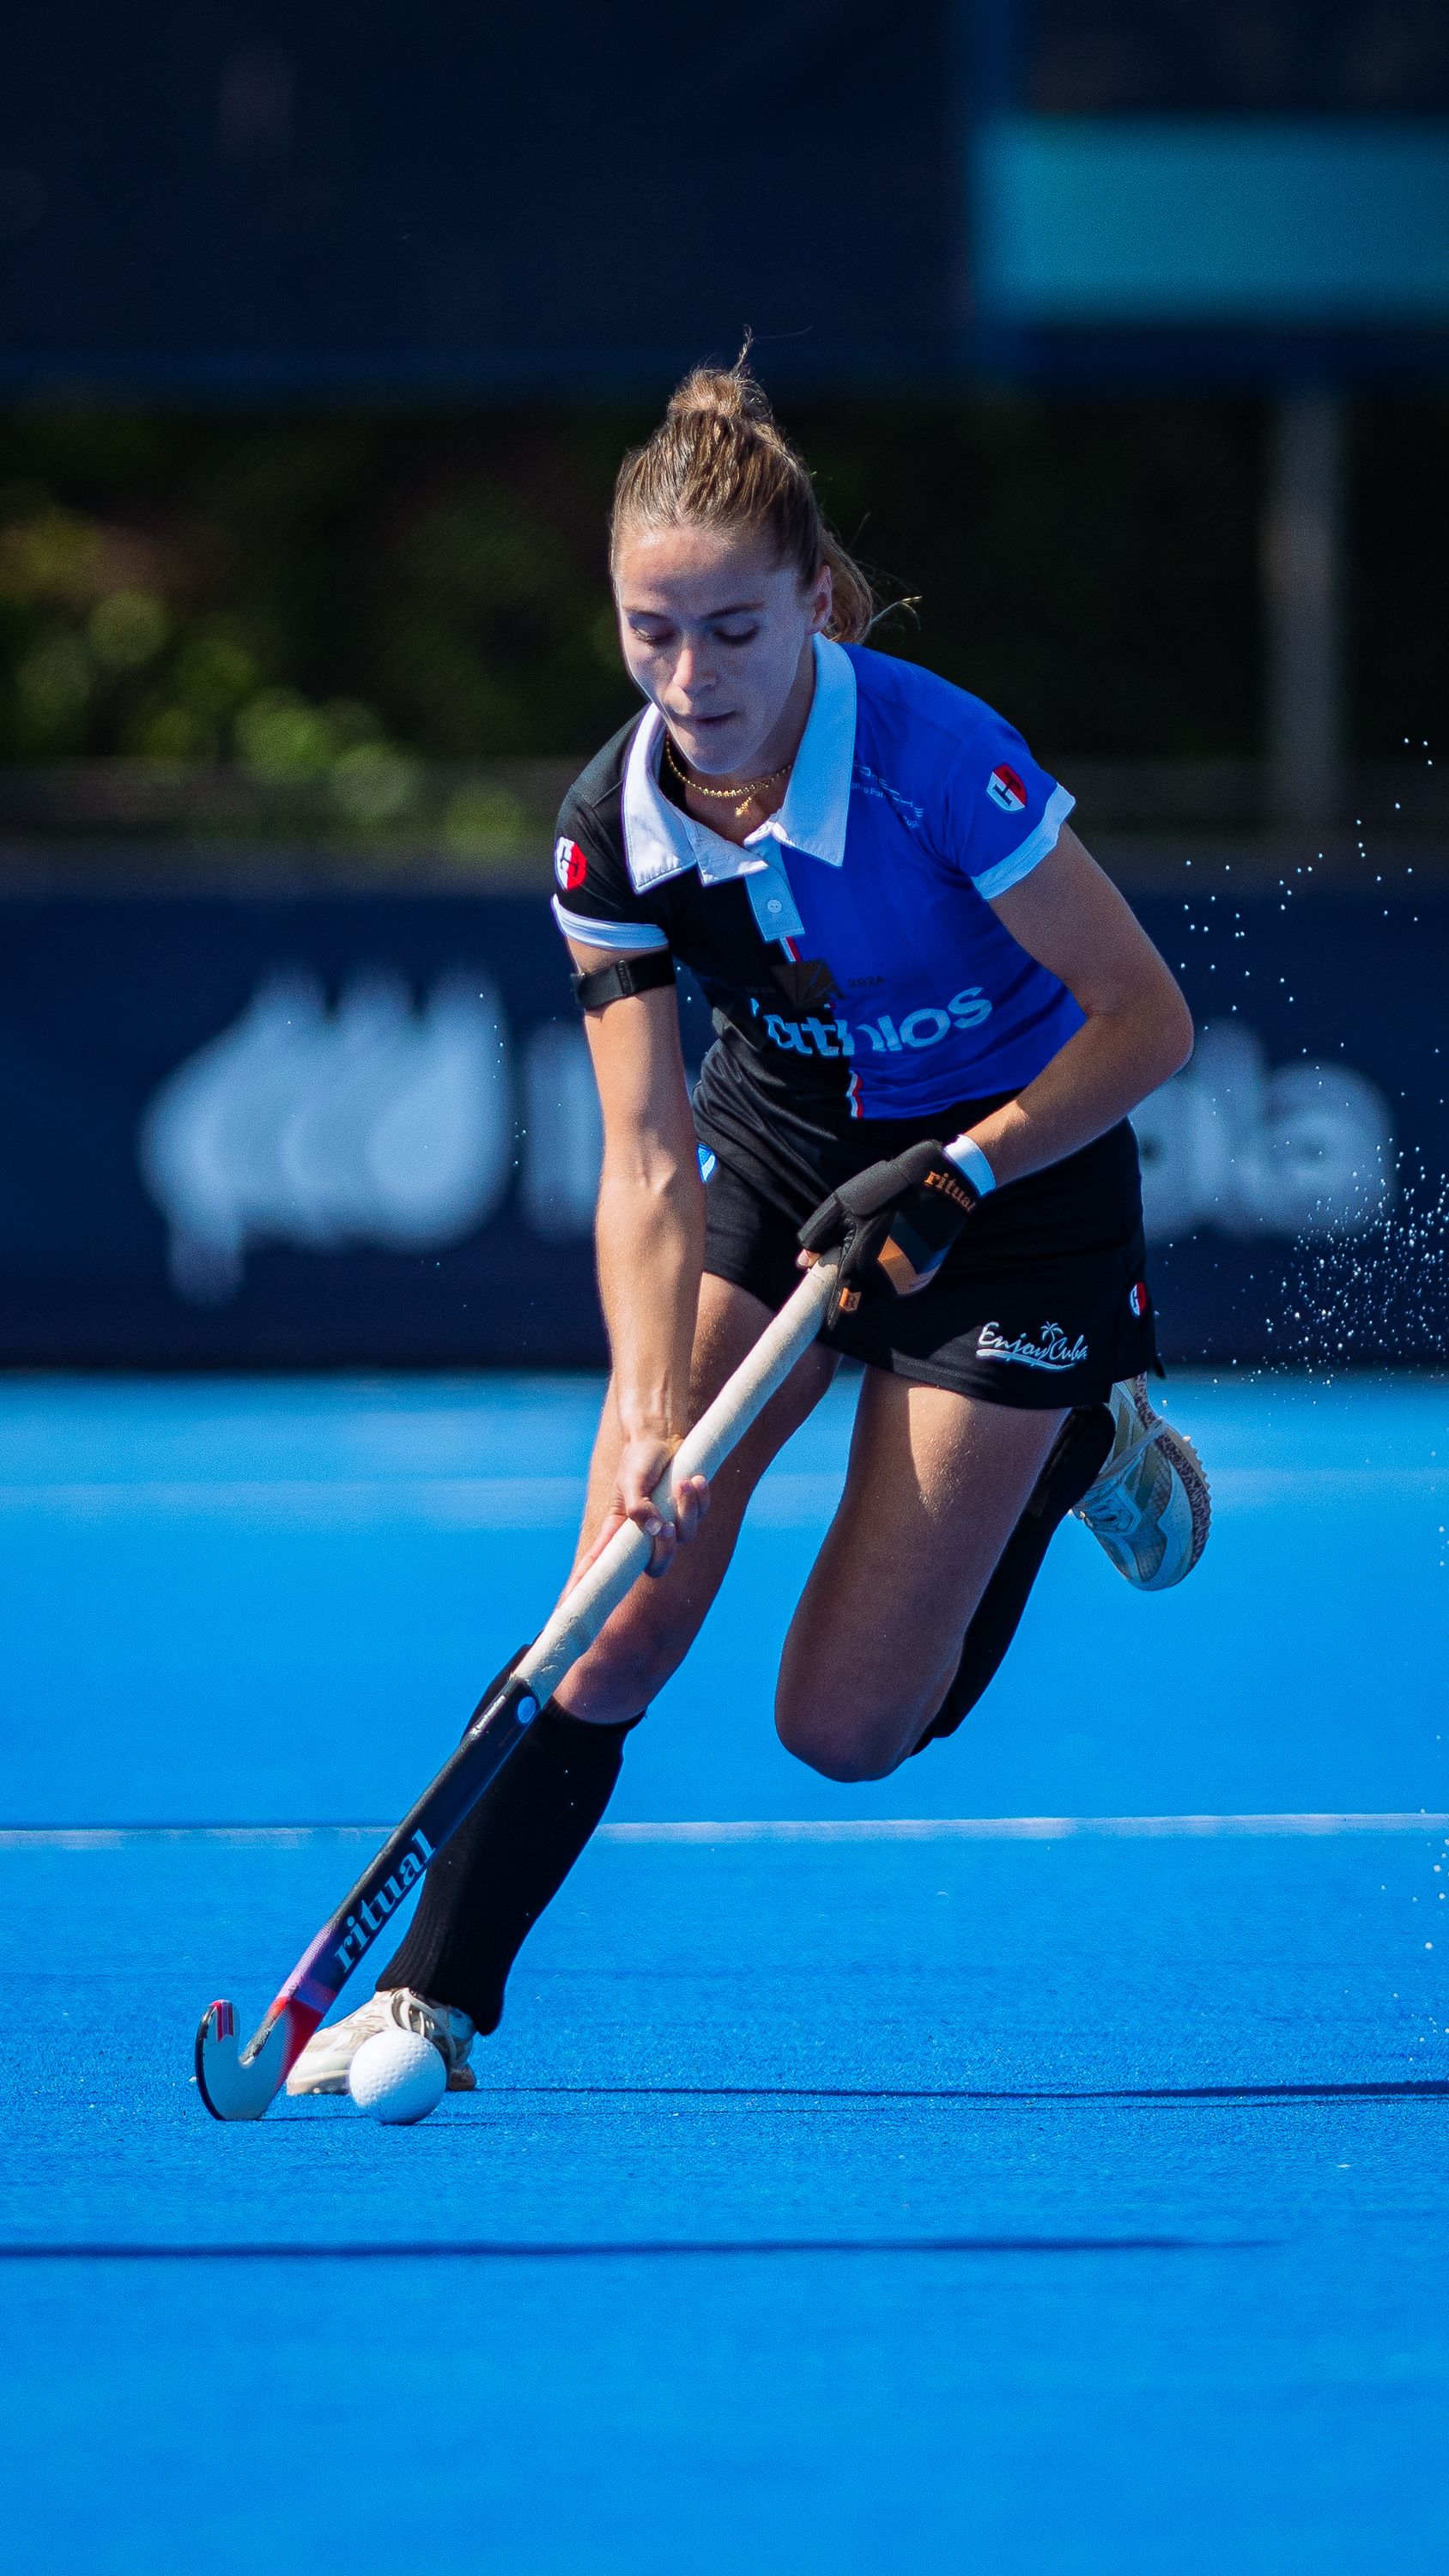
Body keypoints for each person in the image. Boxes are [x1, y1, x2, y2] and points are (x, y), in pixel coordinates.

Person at [288, 358, 1209, 2098]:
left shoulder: (939, 761)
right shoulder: (609, 839)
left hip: (1015, 1196)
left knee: (843, 1729)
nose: (692, 681)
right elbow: (643, 1159)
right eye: (652, 635)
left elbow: (1143, 1026)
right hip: (783, 1176)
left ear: (808, 604)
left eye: (730, 631)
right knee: (619, 1598)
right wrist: (649, 1418)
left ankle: (1079, 1422)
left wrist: (961, 1177)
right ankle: (432, 1999)